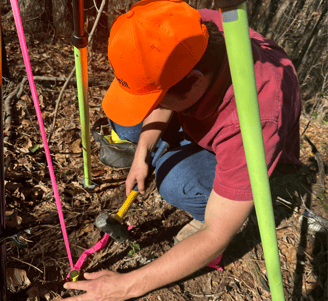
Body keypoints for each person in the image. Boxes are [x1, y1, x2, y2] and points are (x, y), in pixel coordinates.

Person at [63, 0, 301, 300]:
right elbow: (164, 86)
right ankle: (163, 148)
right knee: (128, 126)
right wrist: (141, 155)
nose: (153, 107)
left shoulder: (255, 118)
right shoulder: (181, 31)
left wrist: (124, 286)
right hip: (201, 112)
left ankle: (220, 206)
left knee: (175, 182)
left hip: (245, 147)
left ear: (194, 84)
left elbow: (216, 236)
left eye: (157, 101)